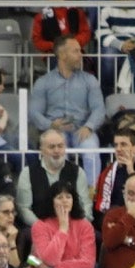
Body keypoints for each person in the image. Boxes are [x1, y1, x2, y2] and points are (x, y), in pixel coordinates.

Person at [30, 37, 105, 182]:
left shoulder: (90, 80)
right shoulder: (43, 82)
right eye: (76, 51)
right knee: (55, 151)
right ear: (62, 54)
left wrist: (89, 127)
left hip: (82, 129)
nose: (80, 55)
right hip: (54, 129)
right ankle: (55, 194)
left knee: (91, 152)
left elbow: (99, 109)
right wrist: (51, 125)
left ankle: (93, 195)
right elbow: (34, 112)